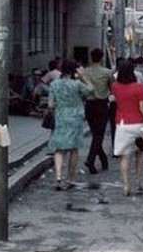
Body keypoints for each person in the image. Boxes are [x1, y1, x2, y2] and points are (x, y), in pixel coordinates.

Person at [111, 60, 143, 196]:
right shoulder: (139, 87)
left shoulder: (115, 86)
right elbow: (142, 106)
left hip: (122, 124)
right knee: (140, 154)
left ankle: (125, 185)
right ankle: (139, 182)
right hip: (138, 124)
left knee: (124, 157)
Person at [47, 60, 92, 190]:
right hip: (76, 118)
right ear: (74, 71)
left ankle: (58, 176)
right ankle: (70, 178)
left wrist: (58, 106)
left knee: (59, 149)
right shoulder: (77, 84)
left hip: (60, 117)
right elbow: (91, 89)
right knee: (74, 149)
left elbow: (50, 105)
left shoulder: (54, 84)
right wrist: (83, 77)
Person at [79, 48, 112, 174]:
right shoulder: (107, 72)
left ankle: (103, 159)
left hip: (89, 105)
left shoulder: (85, 73)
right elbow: (112, 87)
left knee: (95, 135)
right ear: (102, 58)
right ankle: (90, 159)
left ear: (91, 58)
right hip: (102, 105)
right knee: (99, 135)